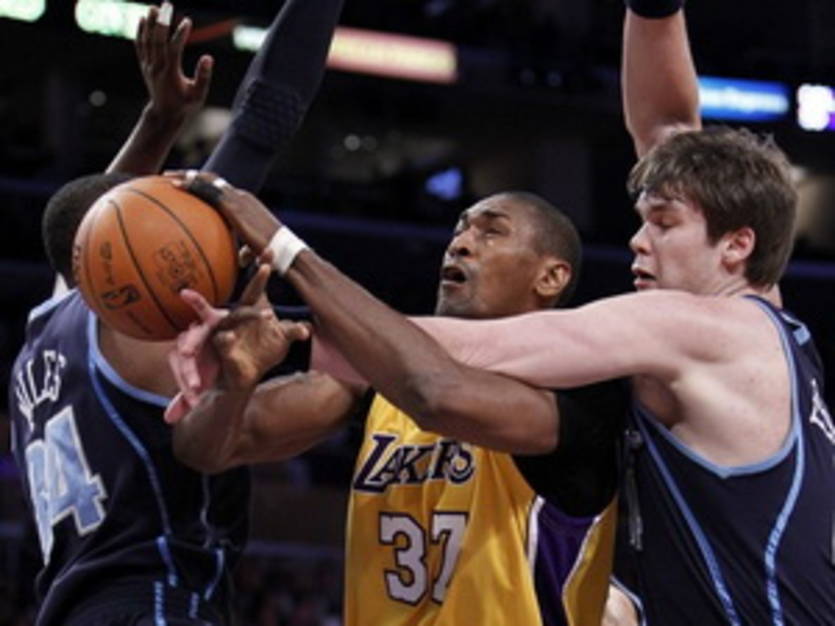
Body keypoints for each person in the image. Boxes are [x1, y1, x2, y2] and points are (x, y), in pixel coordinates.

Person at [173, 14, 835, 617]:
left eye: (661, 224)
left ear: (737, 246)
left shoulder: (695, 329)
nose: (636, 241)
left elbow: (447, 370)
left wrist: (283, 269)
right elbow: (668, 134)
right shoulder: (758, 323)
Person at [7, 1, 344, 623]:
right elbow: (258, 125)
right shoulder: (144, 318)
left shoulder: (44, 338)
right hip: (155, 599)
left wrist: (160, 118)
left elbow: (99, 232)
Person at [166, 189, 627, 624]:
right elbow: (204, 448)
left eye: (491, 232)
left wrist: (285, 249)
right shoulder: (378, 384)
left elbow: (437, 395)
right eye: (459, 230)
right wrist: (235, 384)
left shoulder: (579, 391)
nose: (461, 244)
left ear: (550, 277)